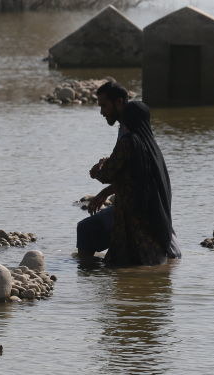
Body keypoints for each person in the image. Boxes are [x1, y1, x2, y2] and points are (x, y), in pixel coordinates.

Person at [91, 100, 181, 266]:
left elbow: (108, 174)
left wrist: (98, 168)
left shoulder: (128, 141)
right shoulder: (150, 144)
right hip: (150, 210)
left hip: (130, 213)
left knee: (123, 261)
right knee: (147, 258)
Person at [75, 81, 129, 259]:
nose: (101, 112)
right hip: (135, 201)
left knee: (85, 229)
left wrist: (98, 172)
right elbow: (129, 169)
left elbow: (122, 173)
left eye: (104, 106)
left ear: (119, 102)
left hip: (134, 208)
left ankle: (86, 272)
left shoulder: (130, 132)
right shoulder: (133, 128)